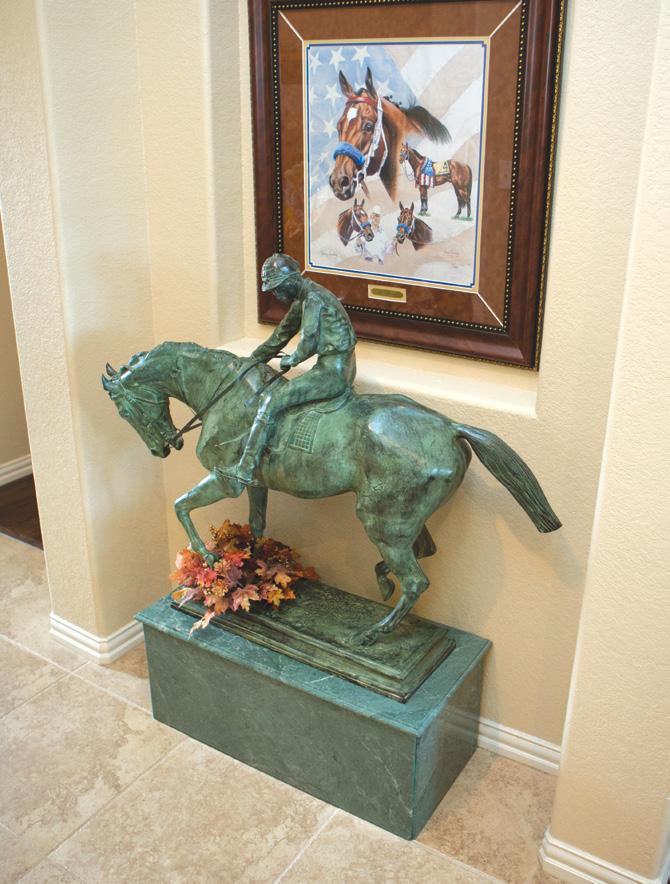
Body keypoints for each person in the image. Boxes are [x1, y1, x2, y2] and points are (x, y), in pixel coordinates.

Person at [225, 254, 357, 485]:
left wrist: (292, 359)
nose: (277, 295)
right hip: (332, 367)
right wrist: (253, 359)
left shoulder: (314, 298)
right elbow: (281, 334)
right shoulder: (303, 299)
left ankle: (245, 468)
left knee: (270, 402)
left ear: (292, 280)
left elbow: (309, 338)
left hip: (332, 373)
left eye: (278, 289)